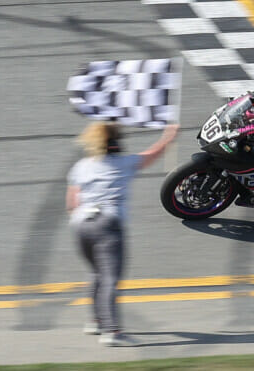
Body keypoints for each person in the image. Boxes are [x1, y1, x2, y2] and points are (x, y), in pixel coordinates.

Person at [66, 121, 179, 346]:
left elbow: (72, 203)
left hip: (80, 225)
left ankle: (96, 321)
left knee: (96, 273)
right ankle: (112, 331)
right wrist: (168, 137)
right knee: (109, 278)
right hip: (108, 224)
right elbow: (152, 154)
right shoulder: (124, 163)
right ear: (116, 144)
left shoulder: (81, 166)